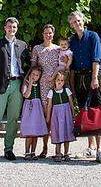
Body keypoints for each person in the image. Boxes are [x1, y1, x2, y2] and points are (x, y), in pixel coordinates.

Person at [0, 17, 28, 162]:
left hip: (17, 85)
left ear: (17, 29)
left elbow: (26, 66)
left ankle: (8, 149)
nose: (12, 29)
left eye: (14, 27)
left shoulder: (22, 45)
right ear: (5, 28)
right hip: (0, 86)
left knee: (13, 119)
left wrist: (26, 84)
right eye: (9, 26)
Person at [68, 11, 101, 164]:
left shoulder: (93, 36)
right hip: (79, 77)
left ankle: (99, 150)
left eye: (78, 20)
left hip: (93, 75)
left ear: (83, 20)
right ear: (71, 25)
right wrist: (71, 84)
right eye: (73, 22)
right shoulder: (72, 41)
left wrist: (94, 78)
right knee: (85, 111)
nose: (76, 23)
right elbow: (71, 65)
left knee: (96, 111)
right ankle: (90, 147)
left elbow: (96, 58)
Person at [30, 24, 61, 159]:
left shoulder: (58, 49)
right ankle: (44, 147)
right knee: (44, 117)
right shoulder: (37, 49)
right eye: (46, 33)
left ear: (53, 34)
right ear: (42, 34)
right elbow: (33, 67)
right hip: (42, 86)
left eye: (50, 33)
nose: (48, 35)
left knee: (56, 116)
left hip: (55, 86)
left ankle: (58, 149)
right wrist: (29, 82)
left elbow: (63, 66)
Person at [45, 70, 75, 162]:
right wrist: (48, 117)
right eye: (58, 79)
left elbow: (71, 103)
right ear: (54, 80)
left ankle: (66, 153)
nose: (60, 82)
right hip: (56, 115)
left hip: (66, 114)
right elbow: (49, 105)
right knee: (57, 131)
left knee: (67, 132)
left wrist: (73, 114)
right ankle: (58, 152)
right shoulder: (51, 92)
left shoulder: (67, 90)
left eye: (62, 80)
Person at [20, 66, 48, 159]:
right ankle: (27, 152)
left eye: (37, 75)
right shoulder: (26, 84)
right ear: (29, 74)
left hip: (37, 109)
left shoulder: (39, 85)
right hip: (29, 109)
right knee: (29, 132)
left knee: (35, 132)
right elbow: (26, 95)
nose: (34, 76)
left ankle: (33, 152)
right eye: (33, 74)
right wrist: (30, 84)